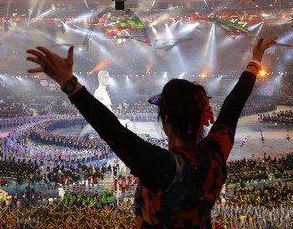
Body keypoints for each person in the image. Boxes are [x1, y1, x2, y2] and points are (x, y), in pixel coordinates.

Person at [26, 36, 279, 228]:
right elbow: (233, 109)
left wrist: (69, 83)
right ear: (202, 118)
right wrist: (255, 62)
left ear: (166, 120)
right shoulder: (214, 155)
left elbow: (110, 128)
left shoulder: (164, 168)